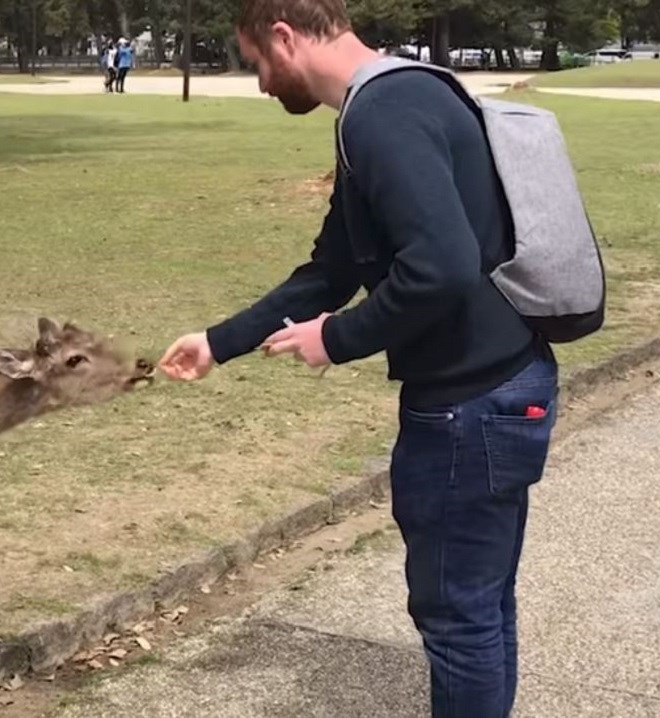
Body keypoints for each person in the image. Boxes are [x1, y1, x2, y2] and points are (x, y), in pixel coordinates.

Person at [158, 1, 559, 716]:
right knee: (480, 604)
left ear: (284, 37)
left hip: (469, 405)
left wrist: (335, 339)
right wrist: (220, 341)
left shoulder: (383, 113)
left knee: (459, 615)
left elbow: (441, 267)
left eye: (255, 62)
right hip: (500, 385)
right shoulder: (394, 97)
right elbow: (332, 269)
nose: (258, 82)